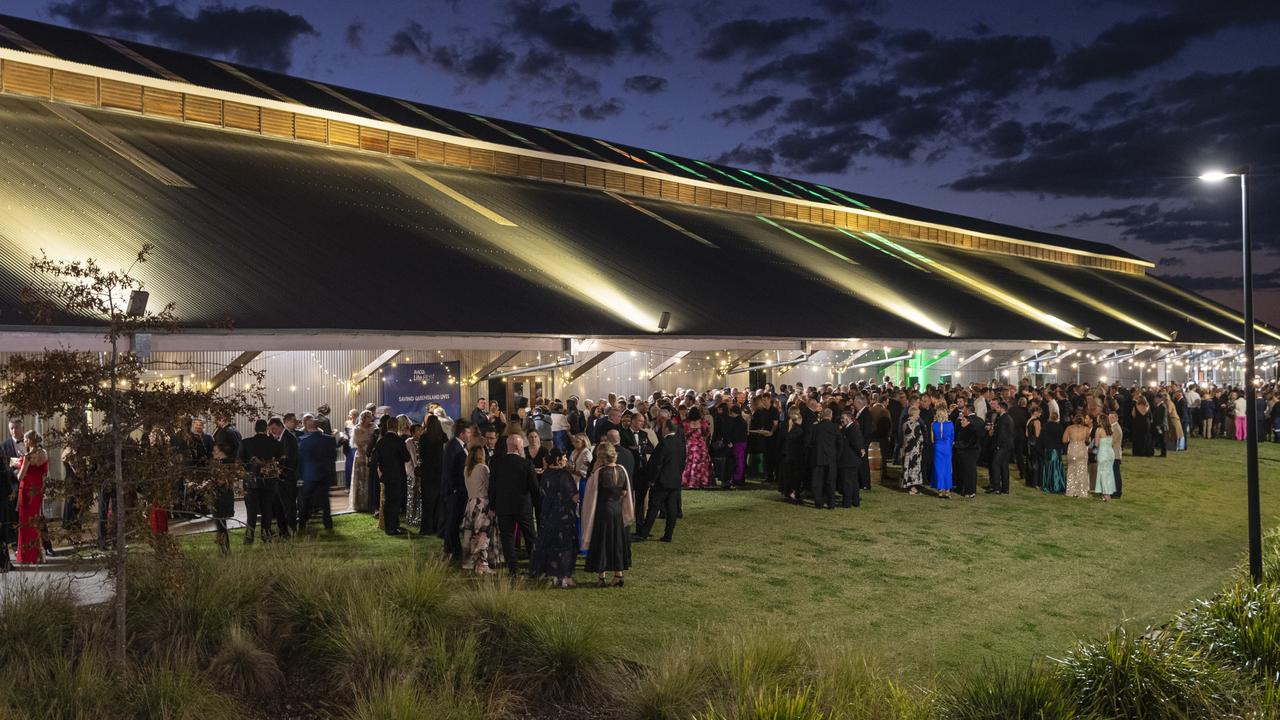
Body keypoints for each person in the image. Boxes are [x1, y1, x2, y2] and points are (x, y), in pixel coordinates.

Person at [582, 441, 633, 586]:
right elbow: (624, 491)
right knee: (616, 541)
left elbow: (591, 493)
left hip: (603, 510)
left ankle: (601, 577)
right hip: (617, 510)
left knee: (602, 541)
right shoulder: (622, 470)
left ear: (601, 456)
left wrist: (593, 473)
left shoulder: (600, 473)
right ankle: (618, 575)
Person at [489, 434, 540, 575]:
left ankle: (513, 569)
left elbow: (492, 486)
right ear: (518, 447)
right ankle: (535, 566)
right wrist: (537, 504)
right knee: (530, 537)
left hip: (503, 506)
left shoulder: (498, 463)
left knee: (507, 538)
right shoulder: (526, 464)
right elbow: (534, 488)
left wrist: (492, 505)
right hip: (523, 507)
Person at [531, 449, 579, 587]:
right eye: (564, 457)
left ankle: (552, 575)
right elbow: (574, 496)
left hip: (548, 514)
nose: (565, 459)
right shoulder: (564, 475)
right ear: (558, 459)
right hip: (564, 516)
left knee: (550, 544)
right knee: (566, 546)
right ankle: (565, 576)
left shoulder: (546, 474)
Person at [634, 421, 684, 542]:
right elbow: (682, 462)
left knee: (653, 507)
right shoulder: (679, 443)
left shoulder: (664, 443)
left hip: (661, 481)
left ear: (666, 429)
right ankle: (668, 535)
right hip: (674, 481)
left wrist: (651, 480)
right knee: (672, 509)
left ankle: (644, 533)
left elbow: (657, 464)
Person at [238, 419, 283, 544]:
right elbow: (280, 461)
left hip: (250, 481)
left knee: (251, 511)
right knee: (267, 509)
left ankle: (249, 536)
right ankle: (266, 534)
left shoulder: (245, 443)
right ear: (266, 429)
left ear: (255, 429)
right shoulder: (274, 443)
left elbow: (239, 461)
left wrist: (245, 473)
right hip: (268, 481)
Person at [459, 445, 501, 574]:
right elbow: (489, 486)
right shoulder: (483, 468)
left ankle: (471, 562)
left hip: (471, 503)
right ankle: (482, 564)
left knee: (472, 534)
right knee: (483, 534)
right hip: (482, 504)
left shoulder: (467, 469)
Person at [298, 415, 337, 532]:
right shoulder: (329, 440)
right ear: (318, 426)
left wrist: (301, 475)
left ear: (308, 427)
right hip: (324, 474)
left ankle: (302, 524)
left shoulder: (303, 441)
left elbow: (300, 460)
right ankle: (328, 524)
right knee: (325, 502)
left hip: (309, 475)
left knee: (305, 501)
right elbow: (333, 457)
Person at [14, 430, 48, 564]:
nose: (24, 441)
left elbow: (20, 476)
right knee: (35, 522)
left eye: (25, 439)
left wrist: (19, 465)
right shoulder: (44, 453)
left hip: (26, 491)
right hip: (37, 490)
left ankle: (26, 556)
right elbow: (44, 473)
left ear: (30, 441)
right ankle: (37, 554)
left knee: (25, 524)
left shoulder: (28, 456)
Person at [442, 420, 473, 562]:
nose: (470, 435)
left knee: (453, 521)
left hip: (456, 490)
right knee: (453, 521)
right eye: (468, 432)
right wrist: (454, 489)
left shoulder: (457, 446)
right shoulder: (454, 447)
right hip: (455, 491)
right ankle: (453, 549)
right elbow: (451, 471)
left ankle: (450, 548)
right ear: (462, 433)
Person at [376, 416, 410, 536]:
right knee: (395, 502)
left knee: (388, 501)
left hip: (386, 476)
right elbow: (407, 457)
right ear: (397, 427)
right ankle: (392, 527)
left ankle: (389, 526)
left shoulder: (381, 441)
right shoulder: (399, 441)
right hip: (398, 476)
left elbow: (376, 460)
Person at [267, 416, 299, 536]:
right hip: (278, 479)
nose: (272, 432)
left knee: (288, 506)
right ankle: (282, 531)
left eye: (274, 429)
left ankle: (291, 529)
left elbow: (290, 459)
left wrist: (278, 468)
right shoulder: (276, 438)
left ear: (281, 426)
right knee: (278, 506)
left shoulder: (289, 439)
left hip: (287, 478)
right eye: (270, 429)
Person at [418, 415, 447, 535]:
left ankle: (426, 528)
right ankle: (437, 526)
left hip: (428, 472)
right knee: (439, 502)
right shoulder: (443, 437)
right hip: (440, 472)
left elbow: (422, 455)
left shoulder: (424, 437)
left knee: (427, 502)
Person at [807, 408, 840, 509]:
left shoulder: (815, 427)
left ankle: (818, 503)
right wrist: (836, 455)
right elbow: (840, 443)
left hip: (818, 458)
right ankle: (831, 503)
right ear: (831, 416)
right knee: (830, 481)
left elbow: (809, 442)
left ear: (822, 416)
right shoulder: (835, 427)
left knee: (817, 481)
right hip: (831, 458)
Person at [208, 442, 237, 555]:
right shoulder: (229, 463)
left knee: (220, 524)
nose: (213, 453)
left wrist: (208, 482)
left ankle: (225, 550)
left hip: (220, 497)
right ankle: (224, 548)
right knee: (221, 524)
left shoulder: (223, 465)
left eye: (215, 451)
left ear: (221, 453)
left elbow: (220, 481)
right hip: (225, 496)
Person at [836, 410, 864, 508]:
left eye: (843, 418)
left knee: (847, 482)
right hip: (852, 460)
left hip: (849, 460)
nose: (841, 420)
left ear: (848, 418)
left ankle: (847, 502)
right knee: (853, 481)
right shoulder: (850, 428)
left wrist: (860, 452)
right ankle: (855, 501)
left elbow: (856, 443)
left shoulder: (851, 429)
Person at [987, 400, 1014, 495]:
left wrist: (998, 446)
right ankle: (1005, 488)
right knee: (1004, 466)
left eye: (998, 407)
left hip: (1002, 446)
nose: (996, 409)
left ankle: (996, 487)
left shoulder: (1003, 419)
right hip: (1007, 446)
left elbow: (1002, 434)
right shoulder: (1007, 417)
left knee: (995, 465)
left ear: (1002, 408)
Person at [681, 407, 712, 489]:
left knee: (689, 463)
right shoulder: (703, 422)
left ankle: (688, 481)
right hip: (701, 446)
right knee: (701, 464)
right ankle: (701, 481)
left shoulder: (686, 423)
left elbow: (683, 434)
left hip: (690, 445)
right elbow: (707, 434)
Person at [351, 410, 375, 511]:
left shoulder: (373, 427)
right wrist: (365, 455)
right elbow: (357, 444)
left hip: (370, 454)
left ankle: (369, 502)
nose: (371, 419)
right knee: (361, 479)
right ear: (364, 418)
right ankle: (360, 504)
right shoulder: (357, 429)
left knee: (369, 479)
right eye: (369, 417)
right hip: (361, 455)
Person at [1063, 413, 1092, 498]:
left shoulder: (1069, 428)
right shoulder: (1086, 429)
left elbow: (1064, 440)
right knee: (1082, 470)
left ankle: (1071, 491)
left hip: (1072, 449)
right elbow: (1087, 440)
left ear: (1074, 420)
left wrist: (1072, 440)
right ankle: (1081, 492)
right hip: (1082, 449)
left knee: (1072, 470)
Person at [954, 412, 982, 498]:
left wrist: (957, 445)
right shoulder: (963, 428)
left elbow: (969, 443)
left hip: (971, 453)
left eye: (963, 420)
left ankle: (970, 491)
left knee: (970, 472)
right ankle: (964, 489)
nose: (961, 421)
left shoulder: (972, 430)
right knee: (965, 472)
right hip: (964, 453)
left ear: (968, 421)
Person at [1039, 410, 1066, 494]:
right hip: (1056, 449)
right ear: (1057, 418)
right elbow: (1062, 439)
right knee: (1056, 466)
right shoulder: (1059, 427)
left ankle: (1048, 484)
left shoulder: (1046, 426)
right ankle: (1057, 485)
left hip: (1048, 448)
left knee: (1048, 466)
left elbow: (1042, 438)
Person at [900, 407, 924, 493]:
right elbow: (919, 438)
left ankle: (907, 484)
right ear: (914, 414)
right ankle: (912, 487)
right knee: (913, 468)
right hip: (914, 450)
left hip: (907, 449)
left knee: (908, 467)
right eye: (918, 414)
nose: (918, 416)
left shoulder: (905, 424)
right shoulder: (916, 424)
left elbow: (905, 438)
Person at [931, 409, 954, 499]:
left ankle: (940, 491)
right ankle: (947, 491)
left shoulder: (933, 424)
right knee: (947, 468)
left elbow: (932, 440)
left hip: (937, 447)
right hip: (947, 448)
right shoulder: (950, 424)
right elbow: (952, 438)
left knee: (938, 468)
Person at [1093, 418, 1116, 501]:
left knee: (1102, 473)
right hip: (1110, 453)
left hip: (1103, 453)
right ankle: (1107, 494)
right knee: (1109, 473)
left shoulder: (1099, 430)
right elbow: (1112, 443)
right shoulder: (1111, 430)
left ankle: (1106, 495)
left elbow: (1096, 443)